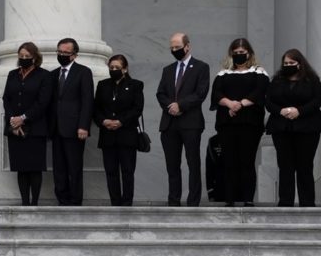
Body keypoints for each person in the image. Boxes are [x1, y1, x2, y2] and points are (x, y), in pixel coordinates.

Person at [209, 39, 269, 207]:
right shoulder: (223, 73)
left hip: (250, 123)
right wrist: (229, 104)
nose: (239, 55)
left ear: (249, 53)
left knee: (247, 161)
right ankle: (229, 198)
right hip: (227, 123)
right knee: (229, 161)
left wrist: (240, 104)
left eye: (242, 52)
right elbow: (216, 93)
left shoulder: (259, 71)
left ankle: (248, 198)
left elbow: (260, 91)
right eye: (236, 52)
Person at [265, 49, 321, 207]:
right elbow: (268, 101)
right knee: (285, 166)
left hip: (307, 127)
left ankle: (307, 202)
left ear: (300, 64)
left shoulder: (312, 80)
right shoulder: (277, 81)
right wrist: (281, 111)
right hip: (281, 127)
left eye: (292, 63)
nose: (288, 66)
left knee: (305, 166)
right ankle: (285, 201)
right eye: (285, 63)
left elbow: (317, 101)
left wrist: (299, 111)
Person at [156, 32, 211, 207]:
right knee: (172, 165)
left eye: (177, 47)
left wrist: (181, 105)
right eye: (171, 48)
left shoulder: (201, 67)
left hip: (191, 123)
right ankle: (174, 200)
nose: (174, 50)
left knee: (193, 163)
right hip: (169, 123)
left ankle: (193, 201)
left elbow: (200, 93)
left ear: (188, 46)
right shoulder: (168, 70)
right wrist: (170, 106)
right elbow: (161, 93)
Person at [2, 42, 53, 206]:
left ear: (35, 58)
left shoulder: (44, 75)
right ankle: (24, 202)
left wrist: (23, 118)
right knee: (21, 167)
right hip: (15, 129)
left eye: (27, 57)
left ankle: (34, 203)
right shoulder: (12, 74)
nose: (24, 59)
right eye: (21, 56)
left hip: (35, 128)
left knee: (34, 167)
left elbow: (43, 102)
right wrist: (13, 121)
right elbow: (7, 99)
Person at [93, 54, 145, 206]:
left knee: (127, 172)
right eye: (111, 67)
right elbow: (96, 108)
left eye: (117, 67)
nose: (114, 70)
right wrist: (104, 121)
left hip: (127, 135)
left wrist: (121, 121)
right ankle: (115, 203)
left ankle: (127, 203)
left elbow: (137, 108)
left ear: (125, 69)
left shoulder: (135, 85)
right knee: (111, 172)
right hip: (107, 135)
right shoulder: (103, 85)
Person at [49, 37, 94, 206]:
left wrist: (84, 126)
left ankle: (75, 201)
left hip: (75, 128)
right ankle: (62, 199)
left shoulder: (83, 72)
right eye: (59, 52)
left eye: (65, 53)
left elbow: (87, 100)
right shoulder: (53, 74)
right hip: (56, 128)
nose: (61, 55)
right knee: (58, 167)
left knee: (74, 167)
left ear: (74, 55)